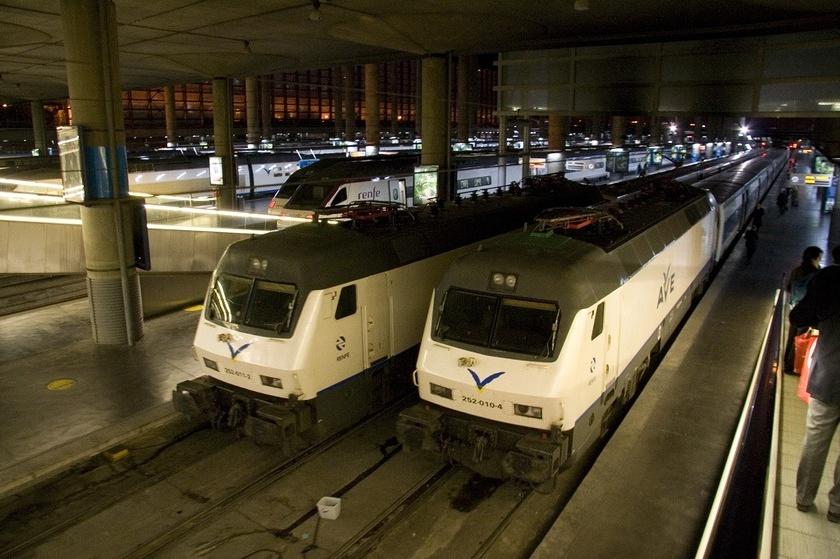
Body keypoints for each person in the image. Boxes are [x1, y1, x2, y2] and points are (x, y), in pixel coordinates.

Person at [790, 245, 840, 523]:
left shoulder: (829, 279)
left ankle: (804, 498)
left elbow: (798, 317)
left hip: (830, 375)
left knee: (816, 441)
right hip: (831, 375)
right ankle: (837, 507)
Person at [784, 246, 823, 374]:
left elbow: (789, 287)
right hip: (807, 309)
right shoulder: (816, 273)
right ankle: (792, 366)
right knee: (801, 337)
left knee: (792, 336)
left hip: (795, 307)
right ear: (815, 258)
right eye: (819, 257)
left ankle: (786, 362)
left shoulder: (797, 270)